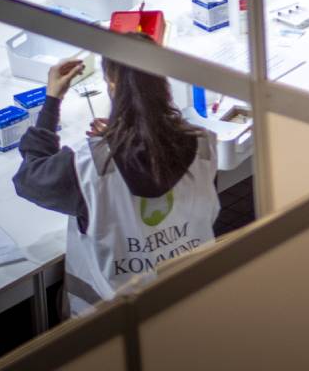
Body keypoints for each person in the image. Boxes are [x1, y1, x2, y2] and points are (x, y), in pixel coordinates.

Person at [13, 35, 219, 318]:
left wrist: (52, 101)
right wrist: (123, 133)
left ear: (112, 85)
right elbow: (156, 156)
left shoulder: (89, 167)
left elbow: (29, 178)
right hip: (194, 307)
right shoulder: (203, 143)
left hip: (115, 326)